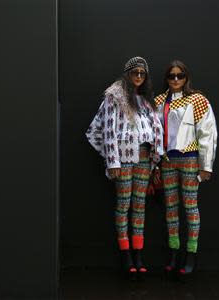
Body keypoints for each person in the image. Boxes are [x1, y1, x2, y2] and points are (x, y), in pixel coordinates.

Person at [86, 57, 164, 277]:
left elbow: (154, 128)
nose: (139, 76)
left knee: (139, 205)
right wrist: (113, 161)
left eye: (142, 73)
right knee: (123, 204)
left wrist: (155, 157)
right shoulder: (115, 97)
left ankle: (138, 253)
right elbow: (108, 130)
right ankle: (125, 254)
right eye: (135, 72)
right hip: (123, 157)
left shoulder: (146, 101)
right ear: (127, 74)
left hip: (144, 156)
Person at [154, 60, 217, 276]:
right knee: (170, 208)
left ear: (186, 77)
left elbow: (208, 133)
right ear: (167, 79)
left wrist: (205, 166)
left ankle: (191, 254)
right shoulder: (159, 101)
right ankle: (174, 251)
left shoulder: (198, 100)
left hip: (190, 159)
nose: (176, 80)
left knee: (190, 207)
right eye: (171, 76)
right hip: (168, 161)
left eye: (180, 76)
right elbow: (154, 133)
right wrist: (155, 161)